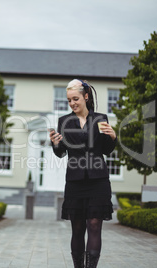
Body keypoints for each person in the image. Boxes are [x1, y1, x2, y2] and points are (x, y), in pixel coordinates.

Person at [50, 79, 117, 268]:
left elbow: (106, 150)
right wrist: (55, 143)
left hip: (98, 182)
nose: (72, 103)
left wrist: (113, 137)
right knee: (77, 229)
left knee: (94, 226)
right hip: (75, 182)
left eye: (76, 99)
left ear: (85, 97)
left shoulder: (100, 118)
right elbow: (61, 152)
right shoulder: (64, 121)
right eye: (69, 100)